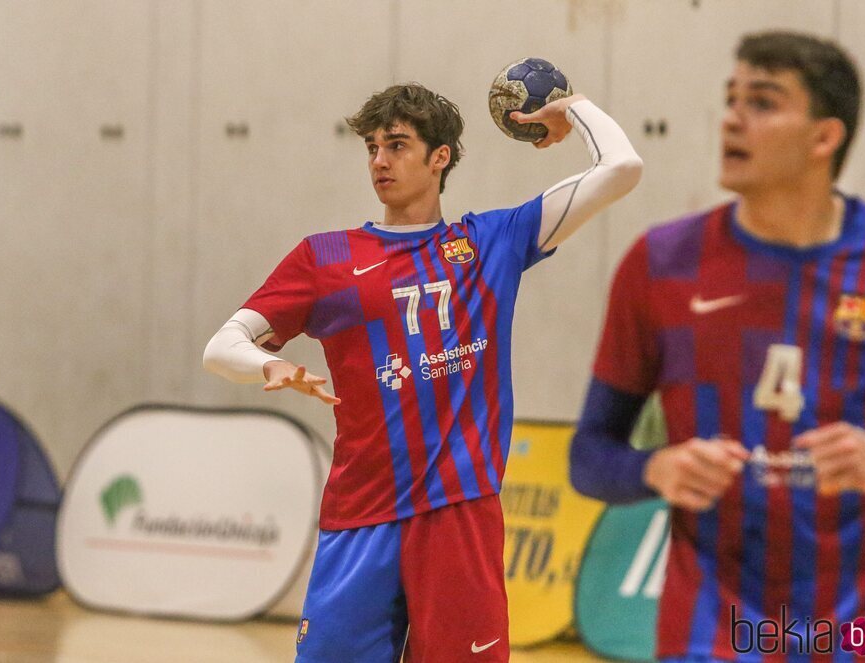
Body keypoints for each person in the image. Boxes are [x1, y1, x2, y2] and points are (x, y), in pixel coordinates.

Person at [203, 81, 641, 662]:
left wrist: (574, 108)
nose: (380, 161)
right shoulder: (325, 258)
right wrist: (270, 365)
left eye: (398, 145)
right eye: (372, 147)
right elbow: (223, 345)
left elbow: (622, 167)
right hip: (361, 517)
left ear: (440, 158)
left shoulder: (491, 242)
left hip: (458, 513)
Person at [570, 31, 865, 662]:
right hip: (713, 635)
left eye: (763, 101)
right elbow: (589, 456)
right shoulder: (662, 264)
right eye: (731, 98)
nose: (732, 118)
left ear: (824, 138)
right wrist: (655, 468)